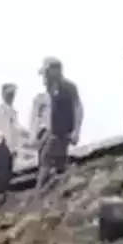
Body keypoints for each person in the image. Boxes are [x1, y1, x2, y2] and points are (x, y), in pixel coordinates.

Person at [36, 57, 81, 188]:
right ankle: (62, 184)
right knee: (56, 160)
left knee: (46, 158)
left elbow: (78, 108)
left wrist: (76, 131)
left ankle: (38, 192)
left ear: (54, 71)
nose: (44, 77)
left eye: (46, 73)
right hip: (55, 132)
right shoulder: (51, 89)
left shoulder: (68, 87)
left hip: (63, 132)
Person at [0, 83, 20, 197]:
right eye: (9, 94)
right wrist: (10, 148)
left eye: (12, 94)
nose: (11, 96)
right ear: (4, 95)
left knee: (8, 171)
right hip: (2, 143)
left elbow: (14, 131)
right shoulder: (3, 110)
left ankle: (2, 194)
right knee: (4, 172)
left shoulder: (12, 110)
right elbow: (5, 130)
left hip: (7, 144)